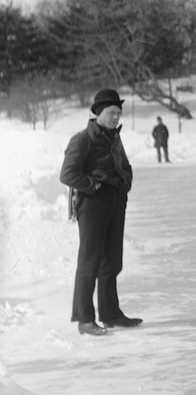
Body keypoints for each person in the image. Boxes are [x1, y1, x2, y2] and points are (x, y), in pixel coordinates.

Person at [59, 88, 143, 336]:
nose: (116, 117)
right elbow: (67, 174)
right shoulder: (82, 139)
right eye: (112, 112)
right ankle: (85, 319)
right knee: (90, 262)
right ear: (98, 113)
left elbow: (124, 165)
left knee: (113, 261)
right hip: (92, 205)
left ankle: (111, 314)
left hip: (116, 203)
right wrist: (94, 185)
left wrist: (126, 182)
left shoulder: (115, 138)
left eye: (119, 113)